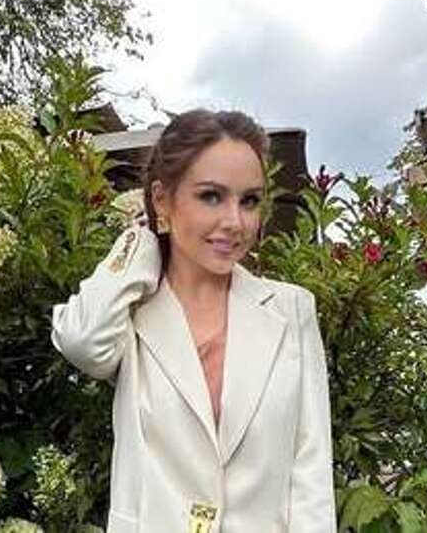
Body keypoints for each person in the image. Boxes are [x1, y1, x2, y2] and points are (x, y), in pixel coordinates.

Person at [50, 109, 336, 532]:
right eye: (211, 196)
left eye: (249, 200)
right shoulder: (131, 311)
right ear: (162, 199)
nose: (234, 222)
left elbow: (310, 479)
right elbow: (81, 342)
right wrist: (141, 242)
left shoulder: (291, 310)